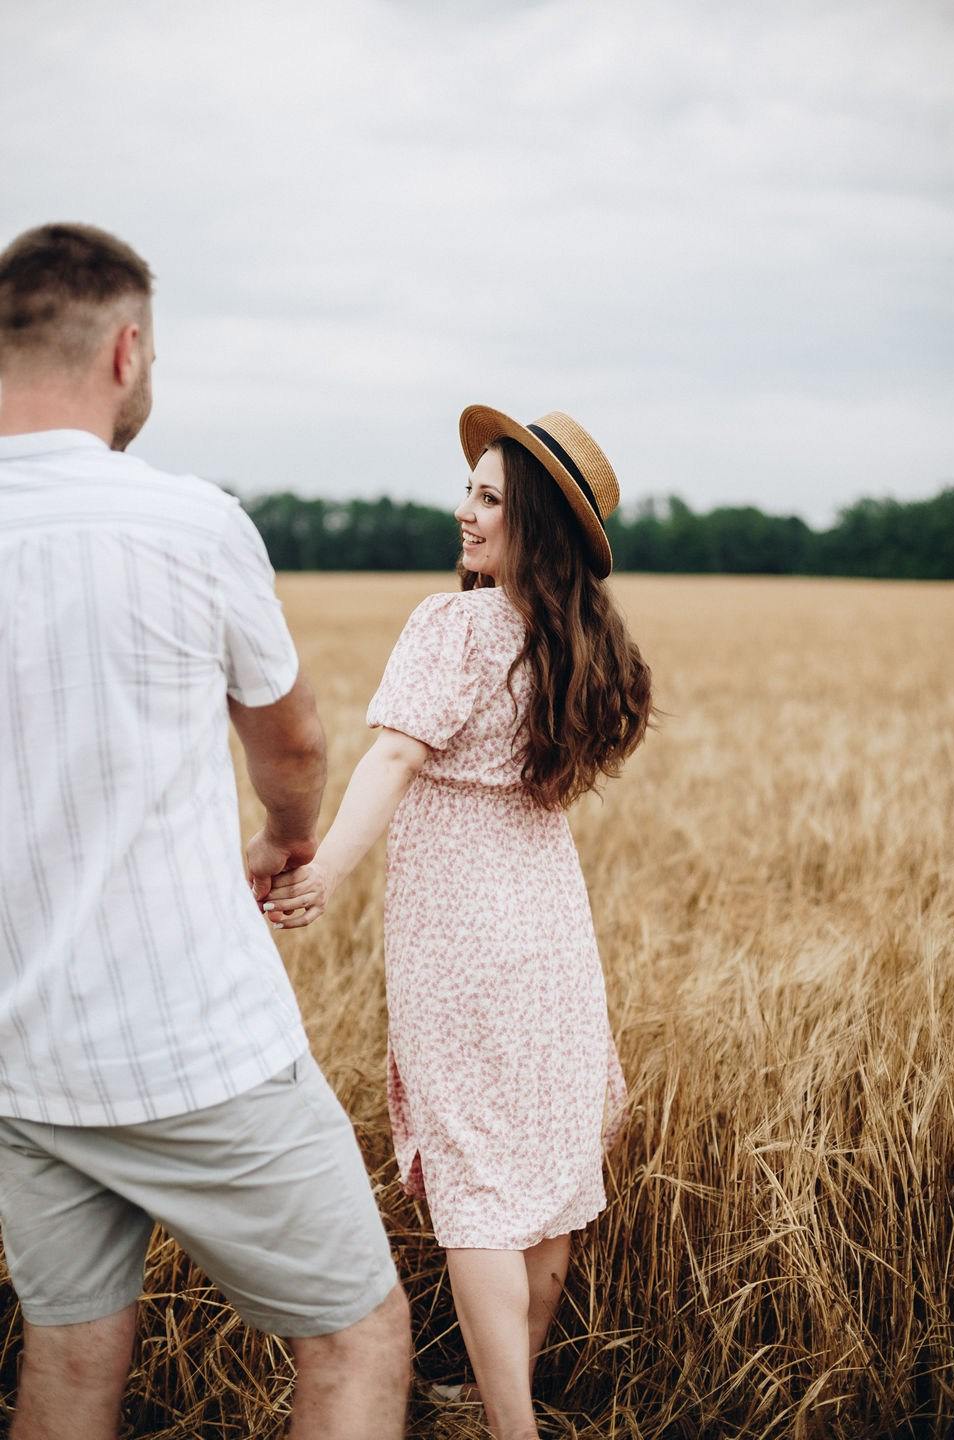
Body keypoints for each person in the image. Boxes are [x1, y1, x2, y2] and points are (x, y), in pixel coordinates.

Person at [0, 223, 410, 1440]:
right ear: (126, 350)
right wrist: (286, 836)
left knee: (71, 1359)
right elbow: (292, 745)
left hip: (22, 1052)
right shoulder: (189, 523)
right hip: (195, 1047)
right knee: (355, 1335)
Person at [266, 405, 653, 1440]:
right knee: (548, 1174)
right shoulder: (579, 643)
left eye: (490, 498)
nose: (465, 511)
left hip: (461, 937)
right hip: (550, 933)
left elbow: (393, 759)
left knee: (480, 1189)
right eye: (469, 491)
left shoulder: (455, 626)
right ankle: (506, 1390)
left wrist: (324, 873)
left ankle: (510, 1427)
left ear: (535, 527)